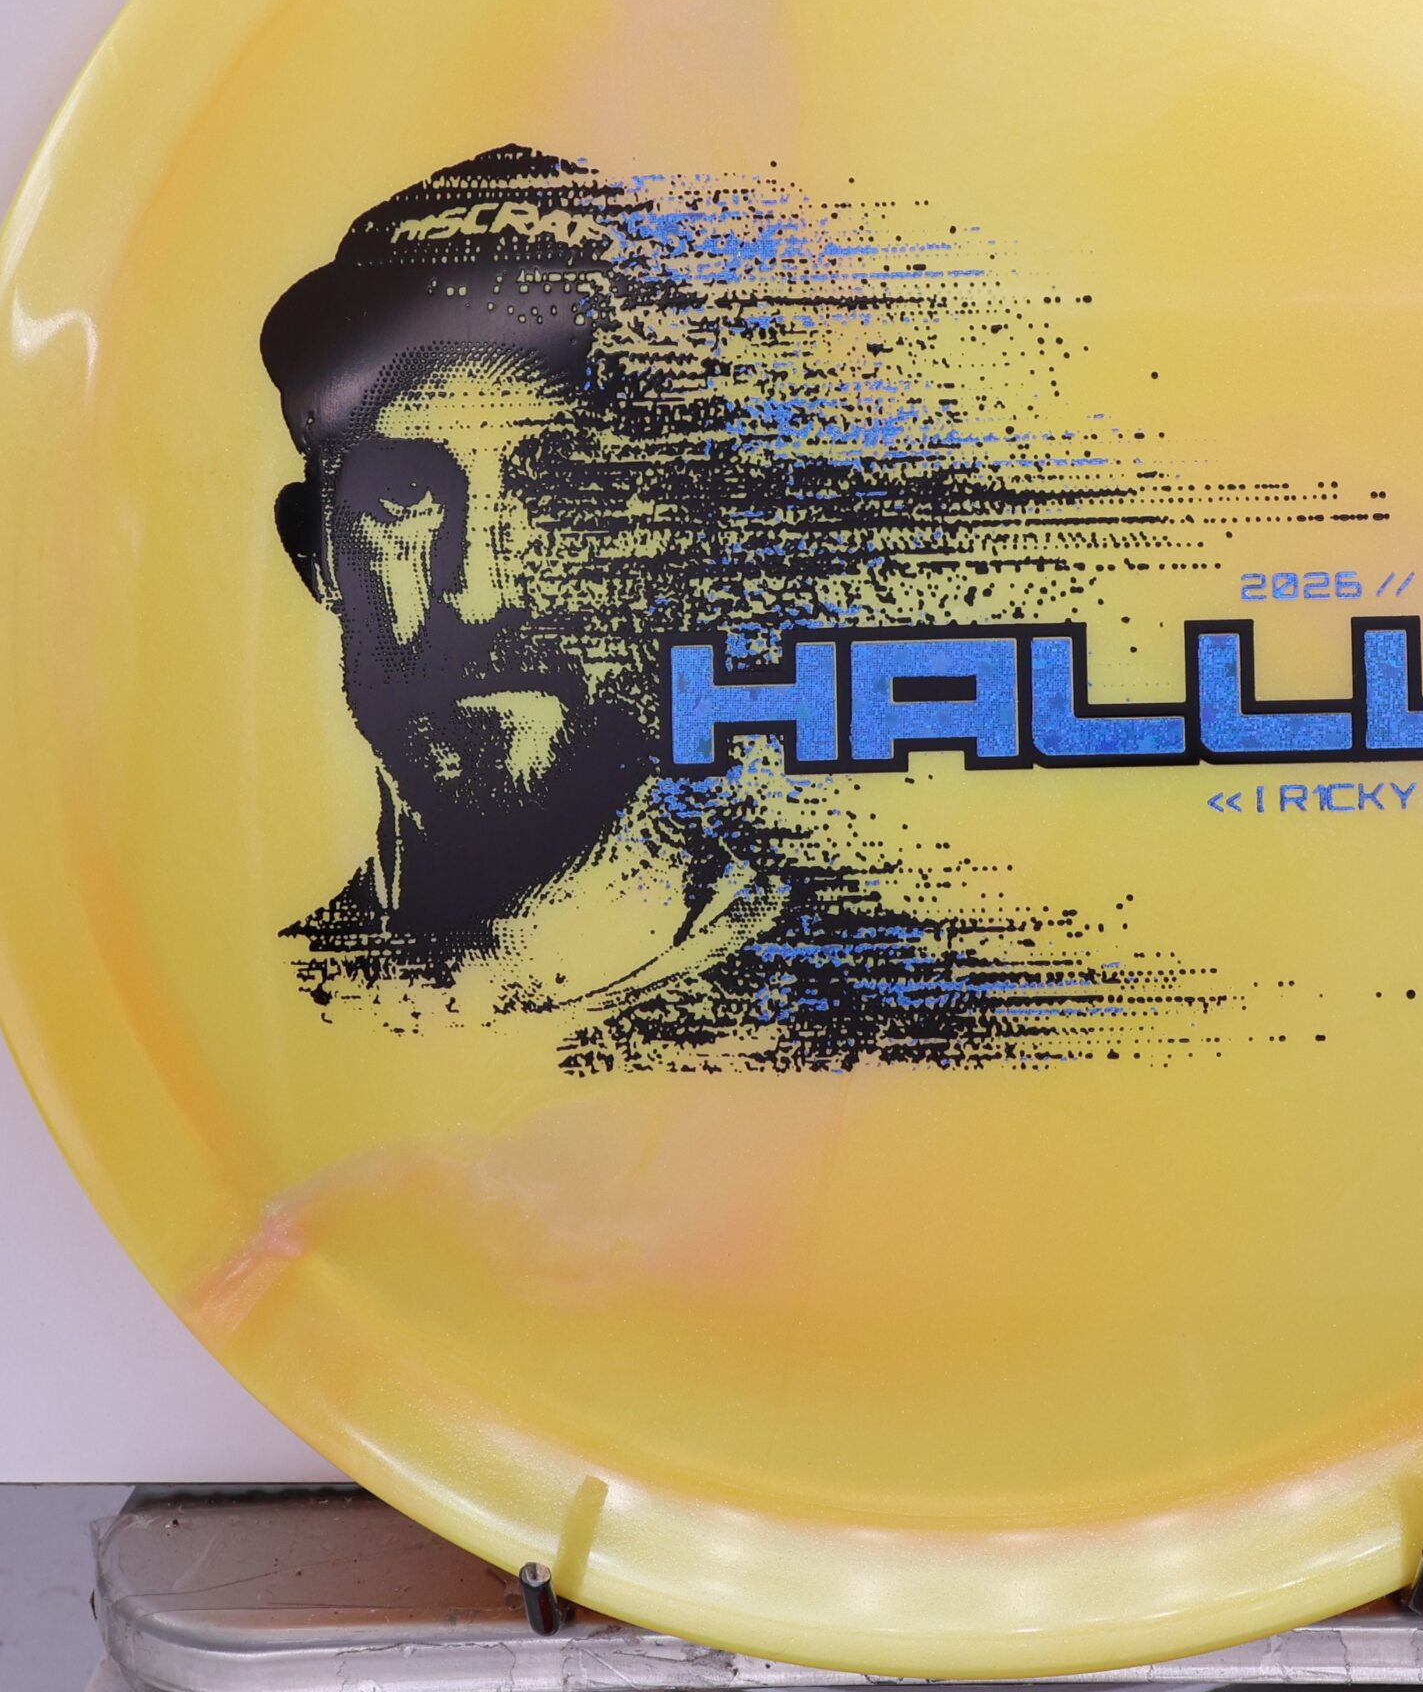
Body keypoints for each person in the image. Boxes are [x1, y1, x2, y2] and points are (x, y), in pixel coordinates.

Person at [262, 144, 1200, 1070]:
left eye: (570, 490)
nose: (482, 593)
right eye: (404, 497)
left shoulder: (903, 1033)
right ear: (317, 555)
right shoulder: (263, 1010)